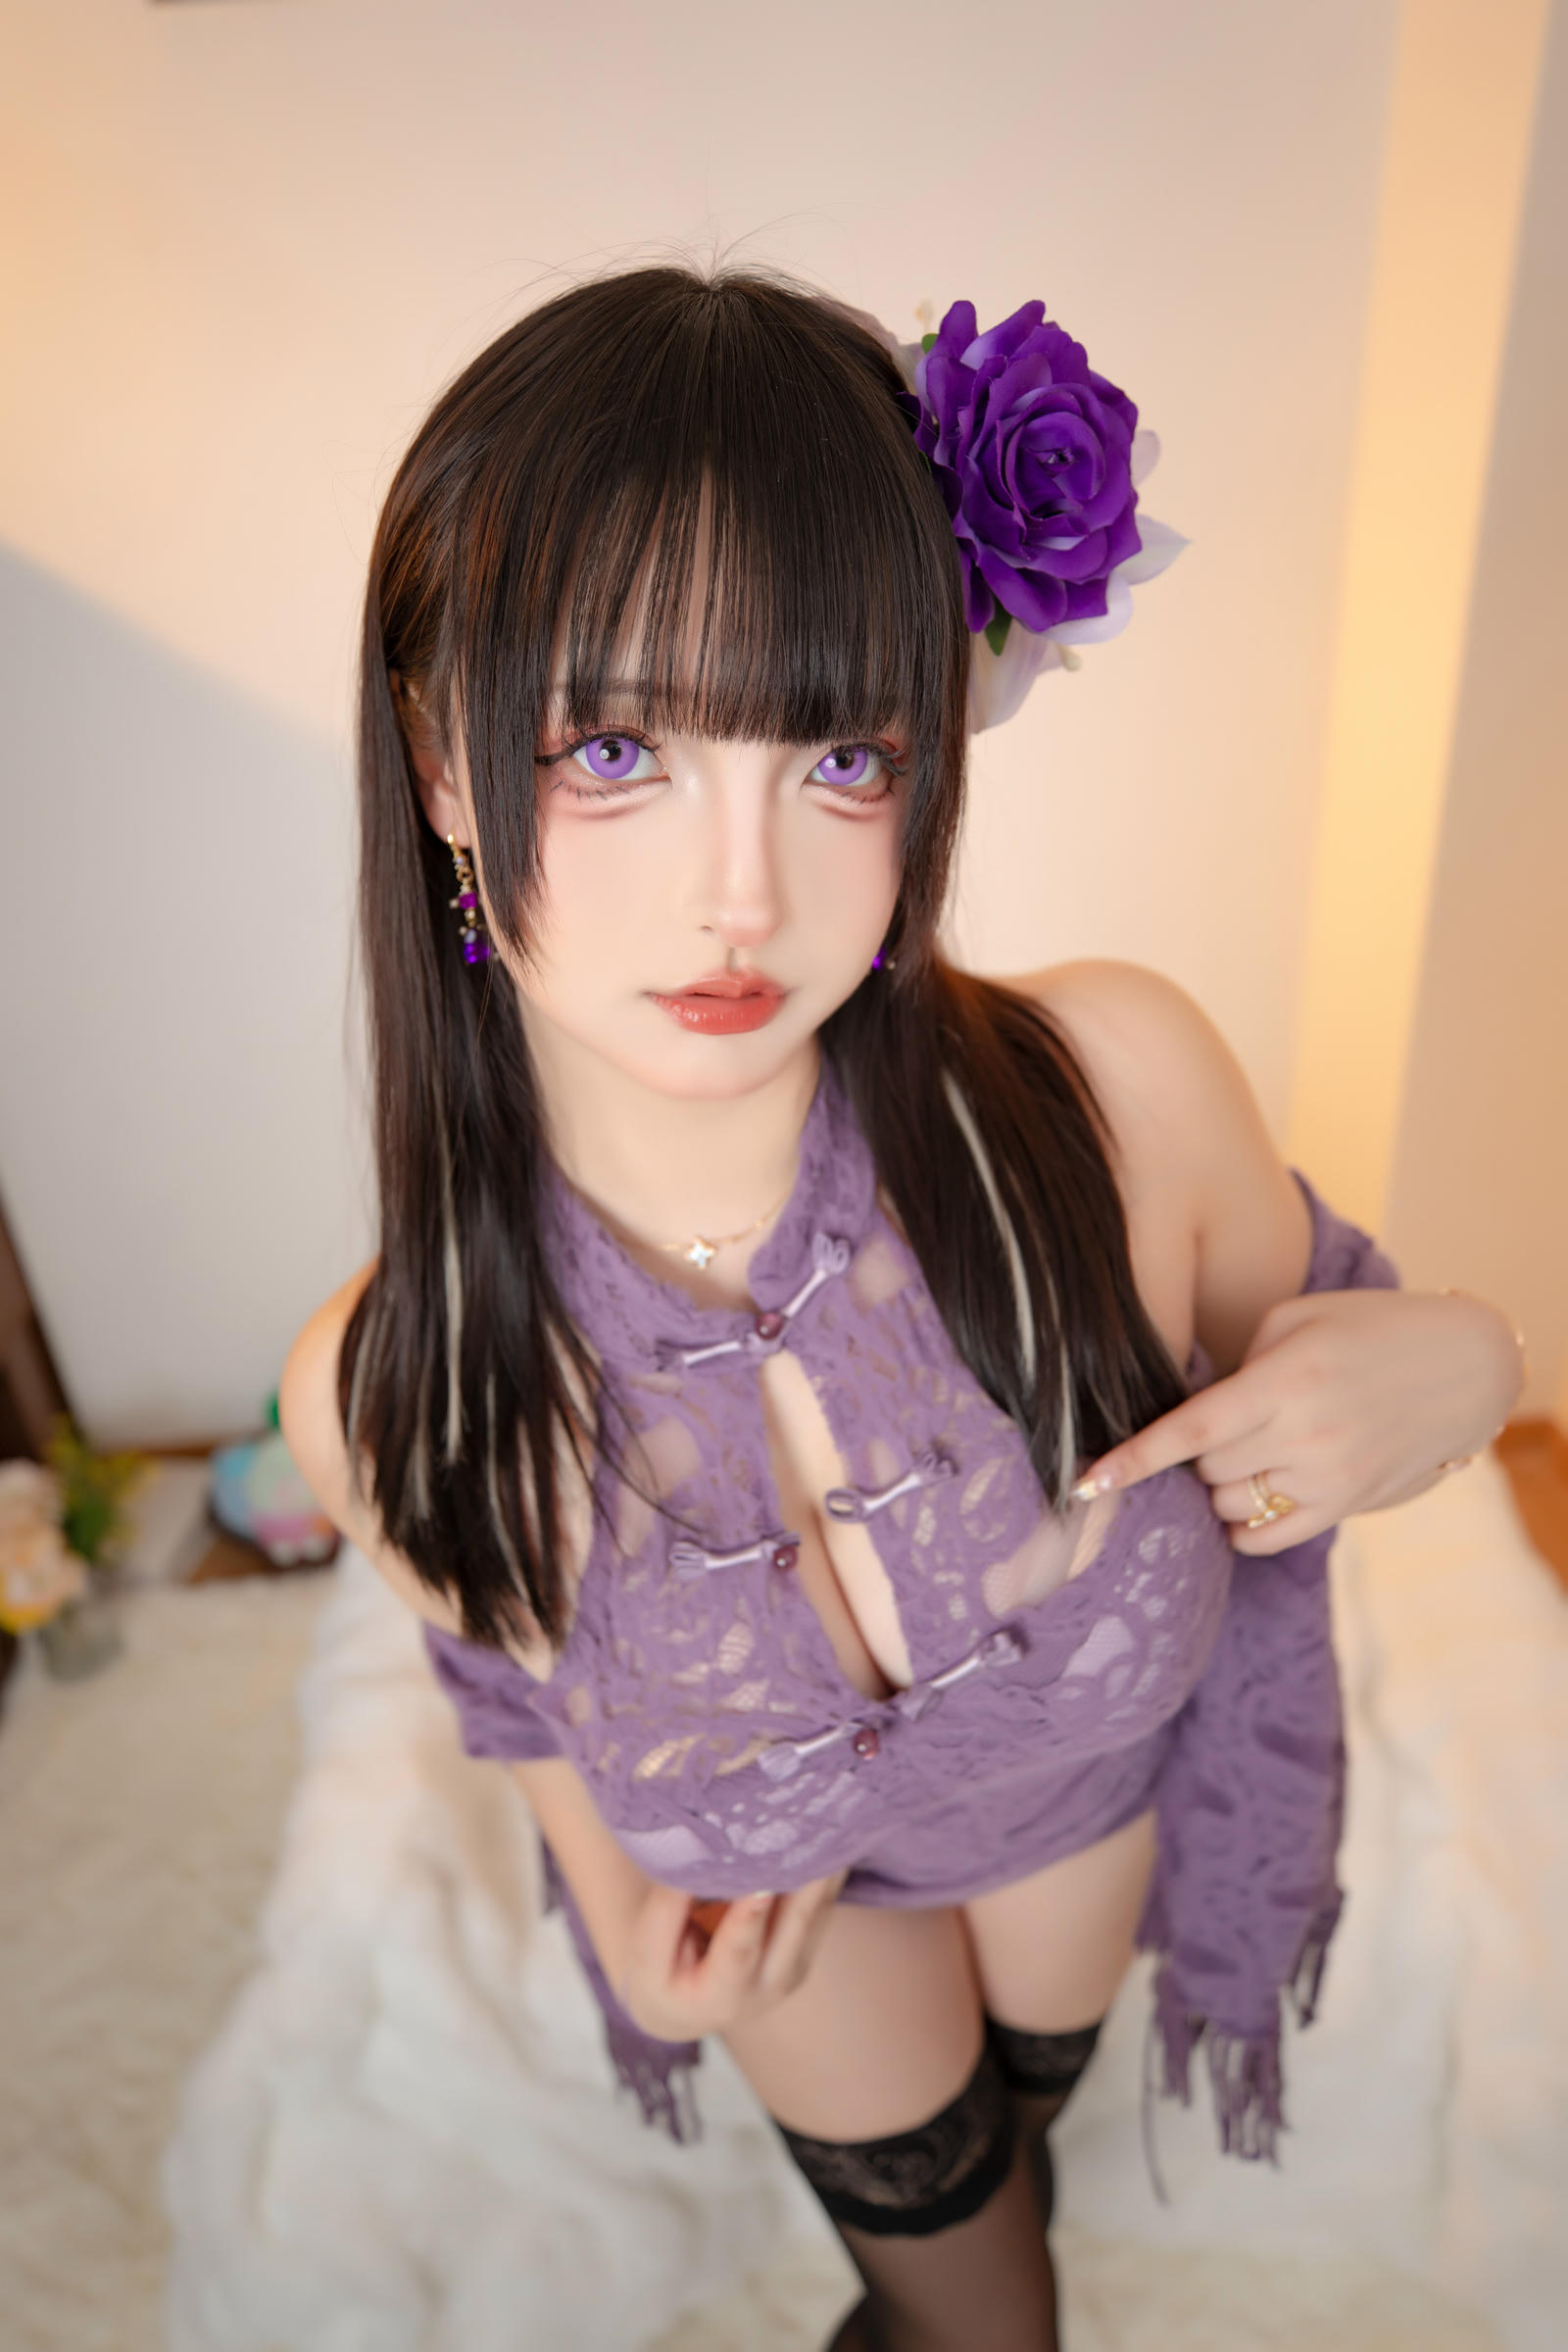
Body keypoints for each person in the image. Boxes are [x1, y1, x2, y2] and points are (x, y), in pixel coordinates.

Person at [279, 266, 1525, 2352]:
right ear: (439, 761)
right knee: (984, 2317)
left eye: (840, 756)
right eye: (615, 748)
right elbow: (503, 1682)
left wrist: (1470, 1357)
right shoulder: (387, 1396)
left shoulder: (1118, 1088)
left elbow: (1319, 1341)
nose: (740, 896)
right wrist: (619, 1905)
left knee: (1018, 2161)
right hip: (792, 1938)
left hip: (1083, 1840)